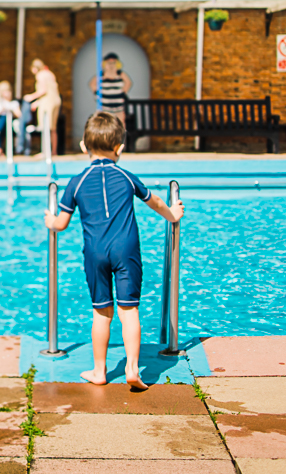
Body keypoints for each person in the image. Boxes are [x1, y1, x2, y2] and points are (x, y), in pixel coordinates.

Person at [44, 112, 184, 390]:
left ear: (84, 146)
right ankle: (133, 368)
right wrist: (173, 214)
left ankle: (99, 370)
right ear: (120, 148)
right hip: (126, 249)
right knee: (129, 311)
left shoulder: (77, 181)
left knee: (101, 312)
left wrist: (51, 221)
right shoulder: (125, 175)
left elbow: (61, 223)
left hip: (95, 252)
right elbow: (154, 200)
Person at [23, 58, 60, 157]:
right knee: (53, 128)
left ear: (35, 68)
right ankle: (54, 152)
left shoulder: (40, 75)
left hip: (47, 103)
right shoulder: (50, 74)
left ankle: (45, 152)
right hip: (55, 100)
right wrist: (38, 102)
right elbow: (50, 91)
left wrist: (31, 97)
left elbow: (43, 90)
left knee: (44, 127)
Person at [89, 52, 132, 122]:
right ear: (105, 64)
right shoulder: (101, 75)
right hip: (105, 108)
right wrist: (97, 94)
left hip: (119, 108)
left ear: (117, 64)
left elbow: (128, 83)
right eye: (109, 63)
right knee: (105, 124)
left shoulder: (120, 74)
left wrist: (123, 93)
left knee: (120, 124)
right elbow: (92, 84)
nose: (111, 65)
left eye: (114, 63)